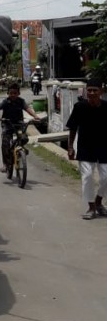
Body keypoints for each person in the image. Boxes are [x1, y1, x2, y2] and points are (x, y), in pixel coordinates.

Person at [66, 76, 107, 219]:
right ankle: (91, 207)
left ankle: (98, 201)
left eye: (95, 90)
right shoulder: (80, 107)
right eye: (89, 90)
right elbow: (72, 128)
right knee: (87, 176)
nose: (92, 93)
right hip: (85, 147)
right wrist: (70, 147)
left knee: (106, 177)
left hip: (104, 147)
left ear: (101, 91)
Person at [0, 82, 39, 173]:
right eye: (11, 93)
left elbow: (27, 109)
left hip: (19, 124)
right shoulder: (6, 102)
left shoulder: (21, 101)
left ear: (18, 93)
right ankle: (5, 164)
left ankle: (20, 148)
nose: (13, 95)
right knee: (5, 143)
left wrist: (35, 116)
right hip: (7, 124)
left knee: (24, 138)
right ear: (8, 93)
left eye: (15, 93)